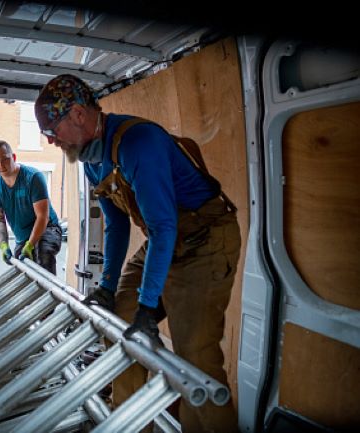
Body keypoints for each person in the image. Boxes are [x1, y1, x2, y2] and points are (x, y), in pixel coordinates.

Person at [34, 74, 241, 433]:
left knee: (196, 362)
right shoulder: (90, 159)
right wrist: (108, 286)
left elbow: (163, 227)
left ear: (79, 115)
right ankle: (129, 424)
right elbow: (117, 225)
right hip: (166, 240)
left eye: (52, 129)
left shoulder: (138, 142)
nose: (51, 140)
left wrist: (149, 306)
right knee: (119, 322)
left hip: (204, 241)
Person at [0, 140, 62, 275]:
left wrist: (30, 245)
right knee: (23, 271)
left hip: (47, 228)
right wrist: (3, 245)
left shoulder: (33, 178)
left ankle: (49, 295)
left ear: (13, 157)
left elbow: (42, 216)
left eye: (5, 159)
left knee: (44, 255)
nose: (1, 165)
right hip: (23, 237)